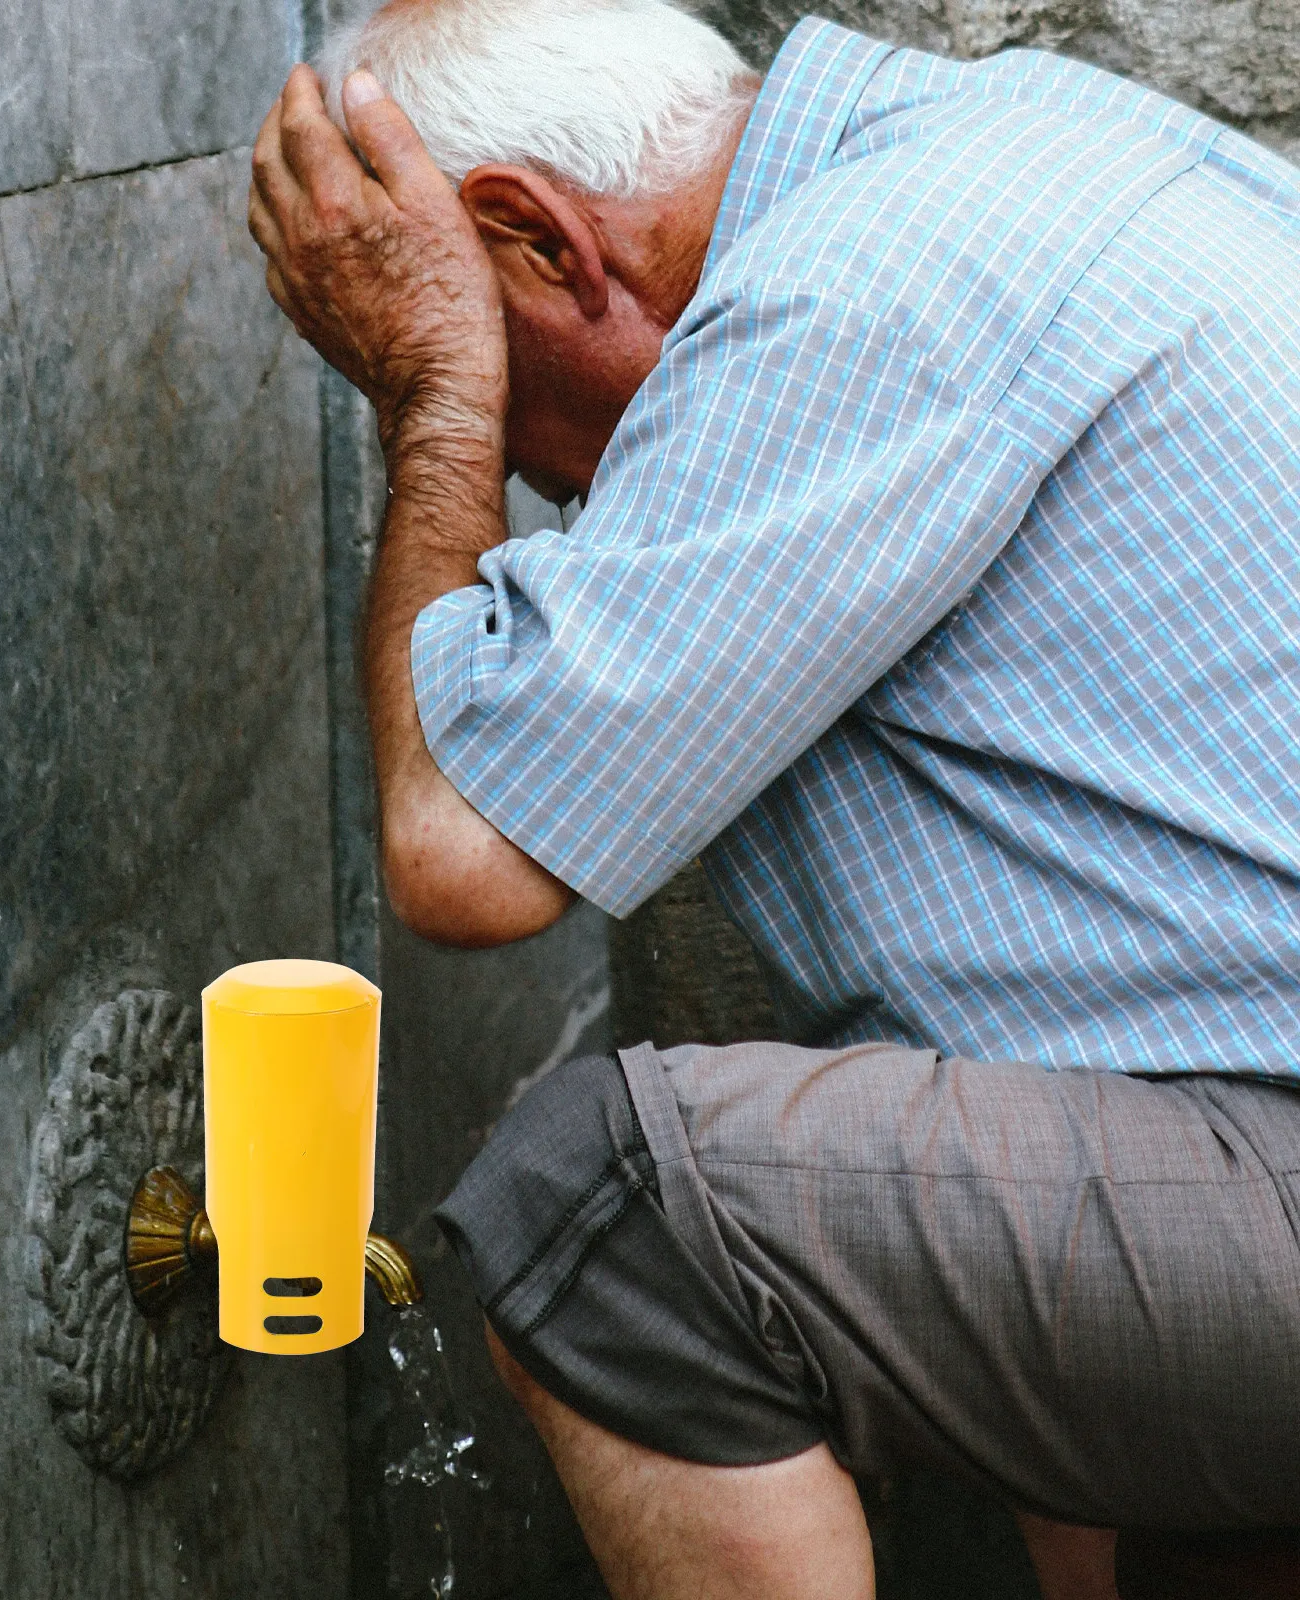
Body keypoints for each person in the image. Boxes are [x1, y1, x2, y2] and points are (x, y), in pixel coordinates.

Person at [245, 0, 1300, 1593]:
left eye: (470, 343)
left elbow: (459, 846)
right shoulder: (1022, 149)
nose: (537, 488)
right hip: (1240, 1151)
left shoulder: (852, 281)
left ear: (535, 240)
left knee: (605, 1217)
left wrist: (436, 399)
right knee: (970, 1190)